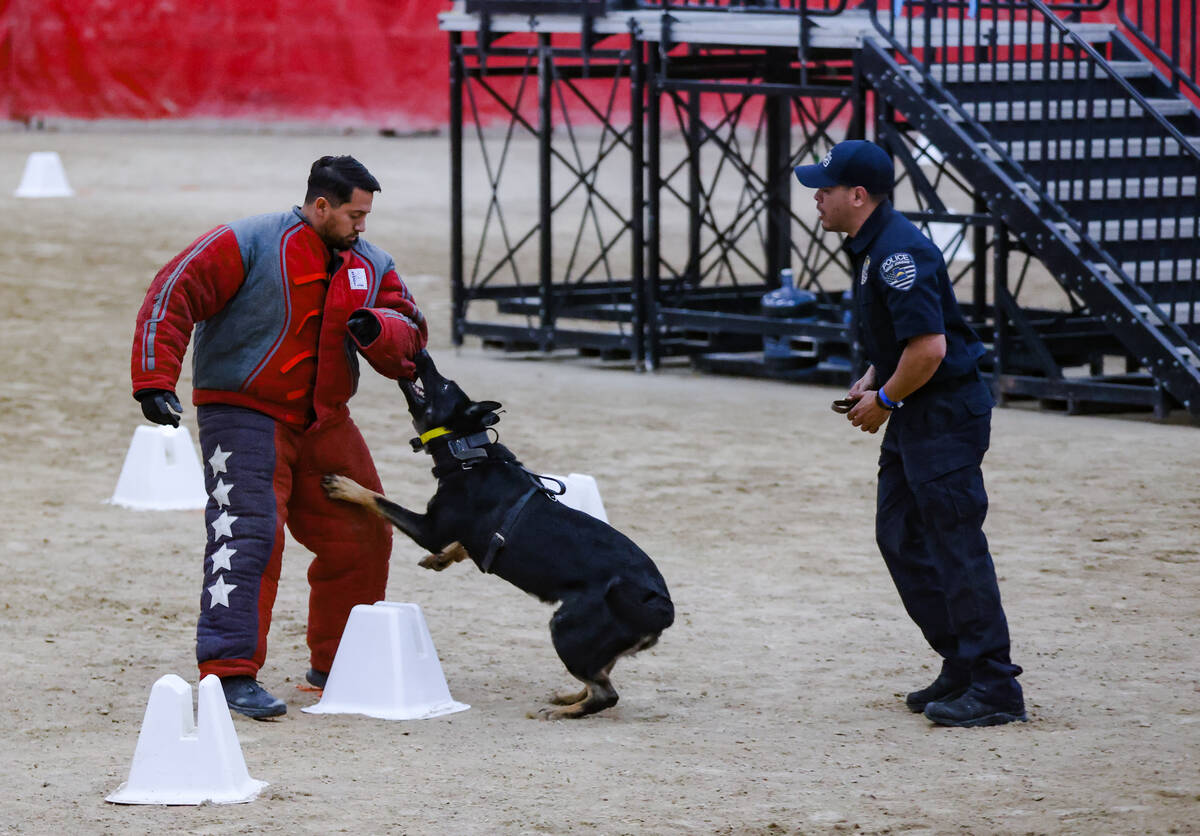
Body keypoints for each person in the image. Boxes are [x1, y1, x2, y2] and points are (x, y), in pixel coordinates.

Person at [130, 155, 427, 719]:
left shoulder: (373, 263)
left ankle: (341, 664)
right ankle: (229, 673)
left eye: (366, 215)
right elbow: (173, 292)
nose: (362, 226)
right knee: (250, 537)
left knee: (365, 532)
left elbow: (410, 327)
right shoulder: (246, 241)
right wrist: (153, 378)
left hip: (326, 420)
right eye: (354, 214)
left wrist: (381, 329)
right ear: (321, 205)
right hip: (243, 414)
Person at [794, 140, 1026, 727]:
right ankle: (963, 662)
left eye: (824, 188)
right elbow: (903, 343)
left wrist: (888, 398)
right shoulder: (876, 245)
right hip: (921, 409)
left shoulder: (897, 254)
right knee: (900, 537)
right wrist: (874, 377)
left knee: (954, 545)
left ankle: (995, 686)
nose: (816, 198)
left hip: (941, 413)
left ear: (857, 195)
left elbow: (930, 347)